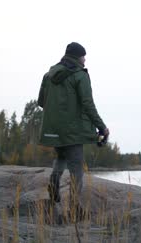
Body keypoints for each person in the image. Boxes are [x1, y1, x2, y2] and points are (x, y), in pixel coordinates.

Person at [37, 42, 109, 217]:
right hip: (73, 131)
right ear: (78, 57)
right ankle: (75, 209)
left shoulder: (49, 75)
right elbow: (87, 104)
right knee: (77, 169)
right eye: (84, 56)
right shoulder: (79, 75)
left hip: (54, 129)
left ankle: (54, 184)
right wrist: (101, 127)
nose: (85, 60)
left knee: (61, 157)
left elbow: (41, 101)